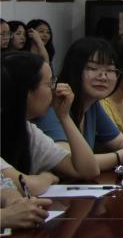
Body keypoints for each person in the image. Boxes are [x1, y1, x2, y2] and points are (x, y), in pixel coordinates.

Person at [31, 38, 123, 172]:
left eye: (110, 70)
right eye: (93, 68)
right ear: (74, 69)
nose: (103, 76)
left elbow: (120, 141)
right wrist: (120, 156)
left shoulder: (92, 104)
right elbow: (70, 161)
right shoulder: (54, 104)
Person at [1, 52, 100, 195]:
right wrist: (48, 177)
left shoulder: (28, 130)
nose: (55, 91)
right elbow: (27, 186)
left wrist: (64, 116)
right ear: (26, 91)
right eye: (49, 84)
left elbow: (89, 170)